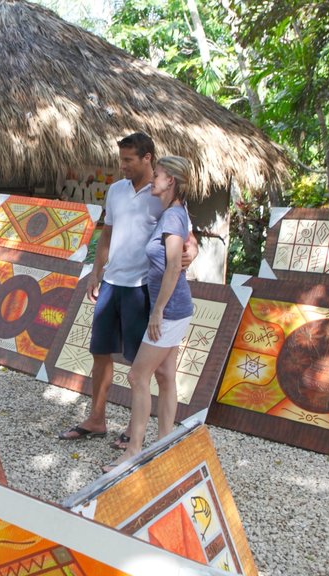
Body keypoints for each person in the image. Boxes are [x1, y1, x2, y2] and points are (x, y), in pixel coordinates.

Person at [58, 133, 196, 443]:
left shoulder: (161, 192)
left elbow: (185, 231)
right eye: (121, 159)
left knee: (139, 366)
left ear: (147, 158)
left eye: (128, 160)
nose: (122, 166)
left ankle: (133, 434)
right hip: (111, 282)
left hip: (141, 288)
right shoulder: (117, 190)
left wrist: (192, 251)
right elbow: (107, 234)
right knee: (100, 352)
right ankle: (96, 419)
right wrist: (96, 271)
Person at [104, 156, 195, 471]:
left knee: (137, 375)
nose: (152, 178)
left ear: (170, 181)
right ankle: (165, 444)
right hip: (175, 308)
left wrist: (157, 312)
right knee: (165, 376)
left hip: (170, 310)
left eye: (157, 175)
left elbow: (173, 267)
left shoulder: (172, 218)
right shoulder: (174, 213)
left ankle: (135, 450)